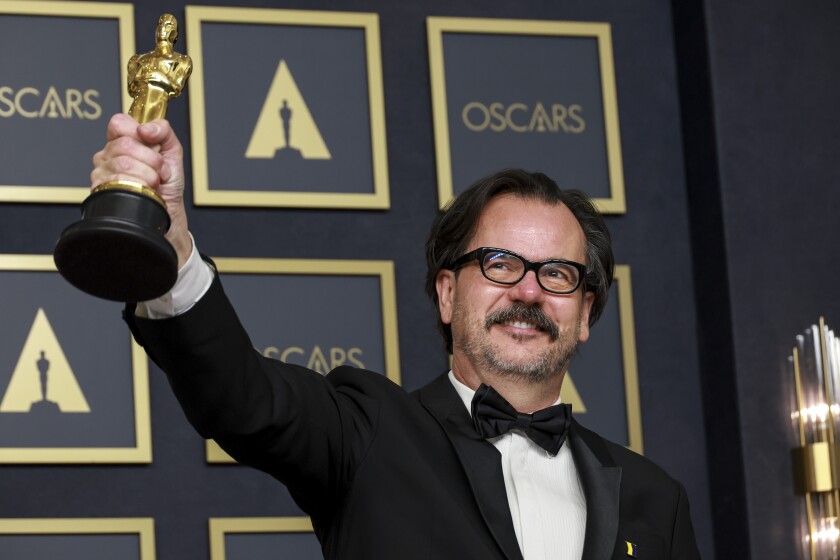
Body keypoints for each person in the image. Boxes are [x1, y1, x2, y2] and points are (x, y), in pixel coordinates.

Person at [92, 114, 701, 559]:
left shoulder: (657, 499)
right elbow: (241, 395)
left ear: (586, 312)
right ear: (446, 293)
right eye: (499, 263)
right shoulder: (366, 435)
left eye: (558, 274)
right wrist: (169, 251)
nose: (528, 291)